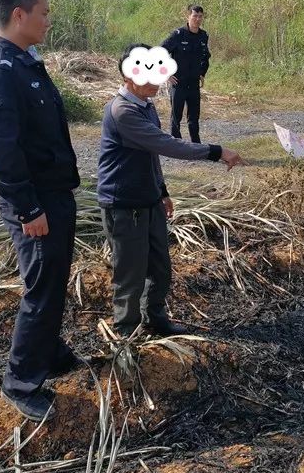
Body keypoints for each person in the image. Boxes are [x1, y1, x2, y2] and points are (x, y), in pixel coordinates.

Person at [0, 0, 82, 421]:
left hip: (52, 195)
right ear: (20, 15)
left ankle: (49, 350)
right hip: (35, 203)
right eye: (44, 12)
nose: (48, 20)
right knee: (41, 286)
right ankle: (20, 381)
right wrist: (28, 209)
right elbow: (3, 152)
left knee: (52, 279)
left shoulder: (23, 60)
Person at [97, 43, 243, 338]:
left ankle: (155, 319)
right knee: (129, 274)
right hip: (125, 205)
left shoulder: (146, 106)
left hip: (148, 200)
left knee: (160, 267)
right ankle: (126, 334)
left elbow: (151, 154)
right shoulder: (123, 112)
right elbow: (168, 145)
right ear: (128, 78)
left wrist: (161, 191)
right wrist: (216, 151)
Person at [161, 4, 211, 143]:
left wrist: (202, 73)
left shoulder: (203, 36)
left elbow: (205, 56)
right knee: (176, 116)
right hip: (178, 83)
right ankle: (176, 144)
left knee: (194, 117)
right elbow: (160, 52)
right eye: (195, 16)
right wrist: (166, 74)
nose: (197, 19)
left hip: (193, 83)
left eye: (200, 16)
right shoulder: (178, 34)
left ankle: (196, 144)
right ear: (188, 16)